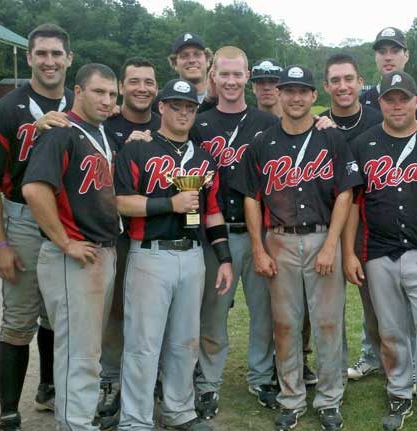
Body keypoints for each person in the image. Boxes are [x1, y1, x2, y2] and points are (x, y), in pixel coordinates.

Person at [233, 65, 361, 431]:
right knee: (286, 325)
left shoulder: (332, 138)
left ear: (313, 96)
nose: (294, 97)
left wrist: (331, 246)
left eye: (302, 91)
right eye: (288, 90)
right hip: (279, 239)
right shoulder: (262, 142)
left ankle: (329, 398)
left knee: (327, 321)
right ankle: (291, 399)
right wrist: (258, 248)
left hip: (323, 236)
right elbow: (251, 199)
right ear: (280, 95)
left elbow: (345, 194)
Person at [343, 71, 417, 431]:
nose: (397, 105)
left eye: (403, 98)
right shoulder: (363, 144)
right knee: (391, 330)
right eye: (389, 99)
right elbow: (352, 203)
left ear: (416, 101)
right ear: (379, 103)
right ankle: (398, 391)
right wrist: (350, 252)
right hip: (379, 253)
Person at [114, 78, 233, 431]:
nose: (183, 112)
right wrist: (171, 203)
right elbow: (120, 202)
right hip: (149, 254)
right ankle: (135, 420)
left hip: (193, 255)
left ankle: (178, 411)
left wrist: (224, 257)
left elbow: (212, 210)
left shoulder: (204, 156)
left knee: (185, 340)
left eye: (189, 107)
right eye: (176, 105)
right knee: (143, 343)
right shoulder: (138, 149)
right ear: (160, 107)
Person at [0, 23, 73, 431]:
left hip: (69, 218)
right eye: (41, 53)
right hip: (25, 220)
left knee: (56, 314)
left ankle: (47, 388)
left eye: (56, 53)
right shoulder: (7, 109)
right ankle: (9, 411)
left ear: (69, 58)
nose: (49, 61)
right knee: (19, 317)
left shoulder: (79, 102)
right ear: (30, 58)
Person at [21, 63, 120, 431]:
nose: (107, 100)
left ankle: (79, 418)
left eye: (112, 94)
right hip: (74, 256)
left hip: (99, 252)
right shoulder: (61, 131)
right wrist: (64, 242)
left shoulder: (100, 132)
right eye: (99, 92)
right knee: (78, 350)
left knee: (88, 348)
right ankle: (75, 424)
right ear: (78, 91)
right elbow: (34, 189)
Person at [190, 46, 279, 417]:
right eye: (223, 74)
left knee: (264, 313)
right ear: (213, 76)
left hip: (258, 233)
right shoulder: (199, 122)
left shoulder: (266, 122)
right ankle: (208, 384)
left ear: (247, 77)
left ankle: (261, 378)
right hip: (214, 233)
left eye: (237, 74)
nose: (230, 81)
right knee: (213, 314)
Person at [94, 56, 160, 429]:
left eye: (148, 82)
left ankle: (156, 382)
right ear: (122, 86)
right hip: (112, 231)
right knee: (115, 309)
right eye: (134, 81)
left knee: (153, 311)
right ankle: (111, 380)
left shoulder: (165, 121)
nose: (141, 88)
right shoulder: (106, 123)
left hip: (154, 234)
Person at [318, 53, 382, 380]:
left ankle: (378, 357)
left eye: (348, 79)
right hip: (326, 224)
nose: (343, 86)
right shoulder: (315, 123)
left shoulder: (377, 118)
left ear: (360, 81)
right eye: (335, 80)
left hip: (368, 224)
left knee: (375, 301)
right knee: (330, 306)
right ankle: (334, 369)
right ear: (326, 85)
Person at [359, 26, 417, 136]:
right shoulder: (362, 102)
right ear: (375, 57)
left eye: (395, 51)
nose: (388, 57)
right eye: (382, 52)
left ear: (406, 55)